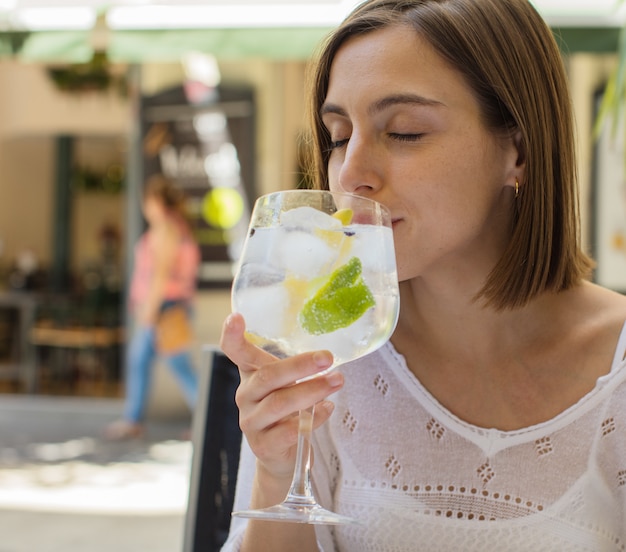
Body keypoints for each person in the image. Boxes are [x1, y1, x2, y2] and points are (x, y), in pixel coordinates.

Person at [220, 0, 626, 549]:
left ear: (520, 150)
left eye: (404, 131)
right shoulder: (333, 350)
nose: (353, 173)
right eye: (339, 136)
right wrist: (276, 470)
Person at [106, 174, 200, 439]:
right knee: (141, 361)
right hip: (167, 307)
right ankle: (133, 419)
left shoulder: (167, 229)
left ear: (156, 201)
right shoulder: (176, 227)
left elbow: (160, 273)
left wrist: (149, 308)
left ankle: (207, 418)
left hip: (164, 309)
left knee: (177, 366)